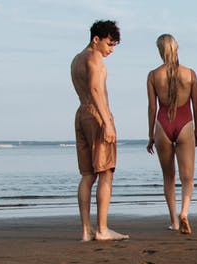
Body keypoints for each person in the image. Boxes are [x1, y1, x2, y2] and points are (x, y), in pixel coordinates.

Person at [70, 20, 128, 241]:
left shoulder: (76, 59)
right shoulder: (94, 57)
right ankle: (102, 230)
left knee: (87, 175)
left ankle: (86, 230)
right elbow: (95, 88)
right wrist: (107, 121)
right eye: (109, 44)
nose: (111, 50)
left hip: (81, 113)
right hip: (96, 114)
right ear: (96, 39)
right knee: (105, 172)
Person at [146, 34, 197, 235]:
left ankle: (174, 221)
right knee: (188, 178)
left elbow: (152, 108)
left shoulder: (153, 75)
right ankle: (184, 213)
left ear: (160, 50)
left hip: (162, 124)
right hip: (185, 122)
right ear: (176, 48)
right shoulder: (190, 74)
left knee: (168, 177)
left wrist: (150, 134)